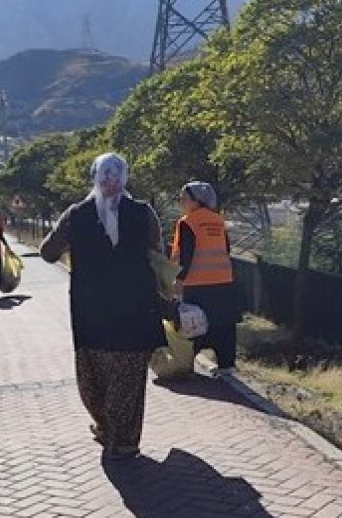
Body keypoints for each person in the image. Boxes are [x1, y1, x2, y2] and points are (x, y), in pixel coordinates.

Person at [40, 153, 165, 460]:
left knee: (93, 380)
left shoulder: (76, 214)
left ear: (94, 177)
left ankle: (106, 426)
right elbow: (158, 253)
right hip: (136, 310)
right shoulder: (143, 213)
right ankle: (125, 441)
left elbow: (47, 254)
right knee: (130, 382)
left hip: (90, 314)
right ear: (126, 178)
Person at [172, 181, 242, 378]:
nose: (181, 202)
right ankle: (227, 365)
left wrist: (178, 280)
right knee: (225, 324)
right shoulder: (219, 221)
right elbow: (226, 250)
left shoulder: (188, 222)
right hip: (223, 281)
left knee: (193, 324)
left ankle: (188, 364)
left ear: (196, 201)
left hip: (197, 283)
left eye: (184, 198)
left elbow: (186, 255)